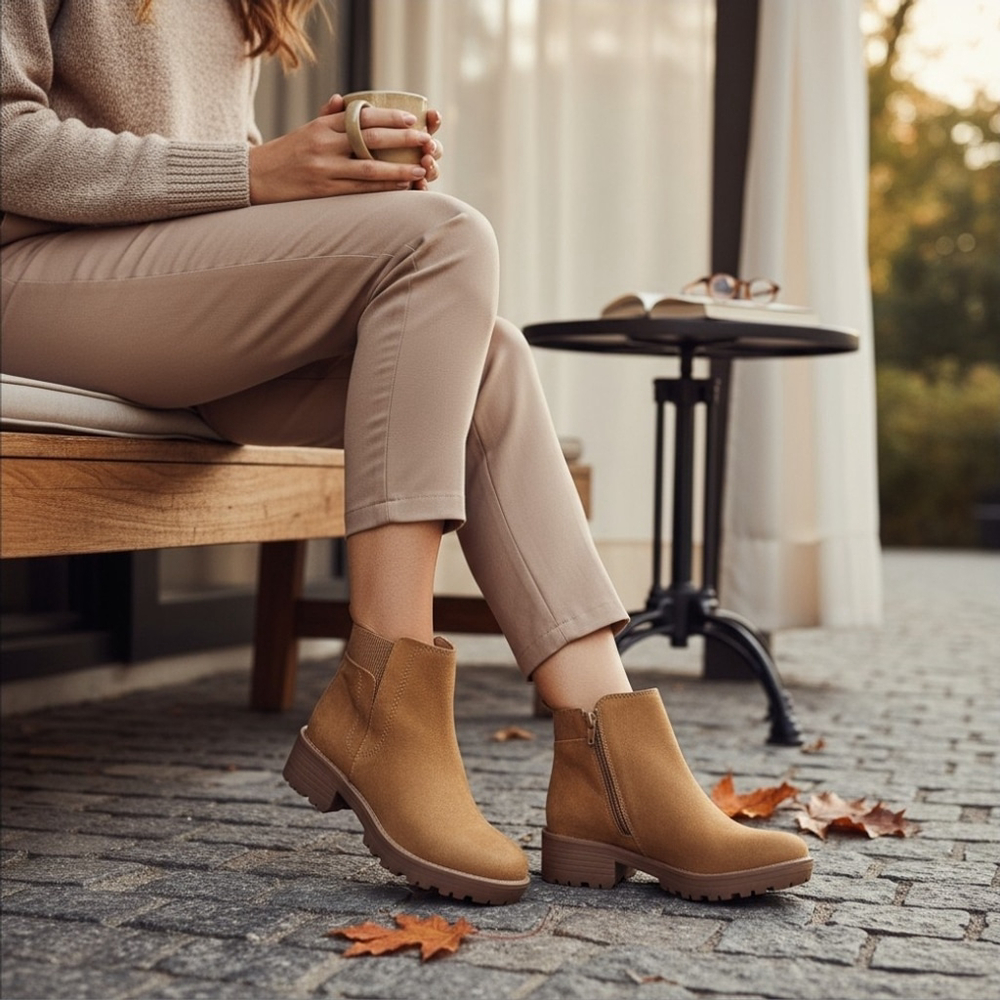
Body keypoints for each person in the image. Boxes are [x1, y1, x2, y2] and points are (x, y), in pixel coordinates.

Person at [1, 0, 812, 906]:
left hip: (156, 299)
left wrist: (313, 177)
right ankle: (383, 696)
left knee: (486, 355)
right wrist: (256, 171)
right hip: (34, 278)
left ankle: (612, 769)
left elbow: (200, 166)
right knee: (445, 237)